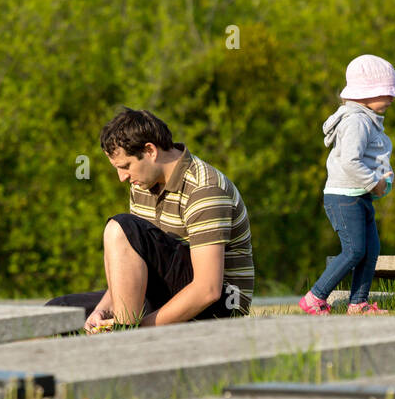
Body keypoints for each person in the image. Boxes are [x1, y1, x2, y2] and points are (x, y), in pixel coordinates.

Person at [47, 109, 253, 330]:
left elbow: (208, 289)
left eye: (125, 166)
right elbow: (131, 263)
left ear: (150, 151)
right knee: (54, 313)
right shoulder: (143, 184)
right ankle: (117, 334)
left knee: (120, 228)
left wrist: (139, 329)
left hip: (219, 307)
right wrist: (102, 310)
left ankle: (125, 339)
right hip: (163, 293)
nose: (122, 177)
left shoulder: (205, 188)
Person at [299, 55, 395, 316]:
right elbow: (350, 162)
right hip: (344, 197)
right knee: (354, 250)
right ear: (365, 94)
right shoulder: (356, 121)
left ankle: (358, 303)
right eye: (386, 93)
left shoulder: (367, 119)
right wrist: (375, 183)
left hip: (358, 195)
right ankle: (315, 297)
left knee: (370, 250)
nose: (392, 98)